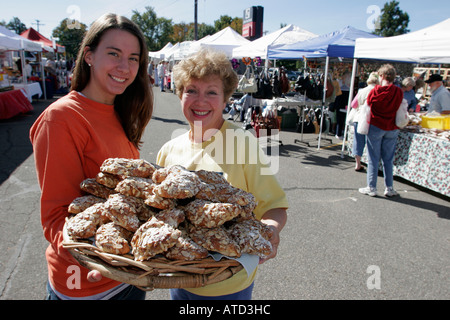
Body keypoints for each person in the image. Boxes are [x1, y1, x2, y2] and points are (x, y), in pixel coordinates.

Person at [29, 13, 153, 300]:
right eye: (114, 54)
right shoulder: (61, 119)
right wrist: (98, 259)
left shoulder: (119, 110)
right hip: (85, 286)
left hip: (129, 275)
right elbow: (56, 218)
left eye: (134, 58)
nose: (125, 67)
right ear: (89, 56)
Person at [156, 48, 288, 300]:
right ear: (180, 94)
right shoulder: (168, 151)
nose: (200, 101)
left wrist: (270, 231)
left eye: (212, 92)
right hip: (180, 279)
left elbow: (274, 207)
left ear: (226, 98)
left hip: (229, 284)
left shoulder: (242, 143)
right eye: (191, 90)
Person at [359, 64, 403, 197]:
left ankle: (372, 187)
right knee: (388, 159)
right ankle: (389, 187)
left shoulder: (375, 91)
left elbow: (368, 105)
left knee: (373, 158)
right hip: (391, 127)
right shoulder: (398, 91)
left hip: (376, 126)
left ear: (382, 76)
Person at [350, 72, 379, 171]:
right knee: (372, 143)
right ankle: (373, 166)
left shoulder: (362, 91)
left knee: (358, 142)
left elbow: (353, 105)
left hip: (359, 118)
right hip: (372, 119)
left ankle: (357, 163)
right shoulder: (378, 91)